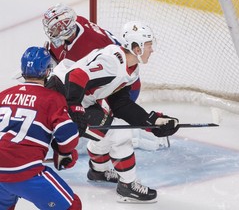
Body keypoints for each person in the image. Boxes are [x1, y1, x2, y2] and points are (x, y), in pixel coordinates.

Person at [49, 20, 179, 203]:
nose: (152, 50)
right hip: (61, 96)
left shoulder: (130, 68)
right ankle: (128, 186)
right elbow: (76, 76)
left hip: (79, 98)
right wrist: (74, 109)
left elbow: (120, 104)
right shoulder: (112, 61)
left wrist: (152, 122)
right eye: (149, 45)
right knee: (118, 133)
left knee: (109, 128)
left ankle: (98, 171)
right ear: (137, 47)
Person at [0, 47, 81, 210]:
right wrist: (65, 153)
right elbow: (68, 137)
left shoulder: (3, 95)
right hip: (25, 171)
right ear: (47, 71)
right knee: (72, 206)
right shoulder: (53, 99)